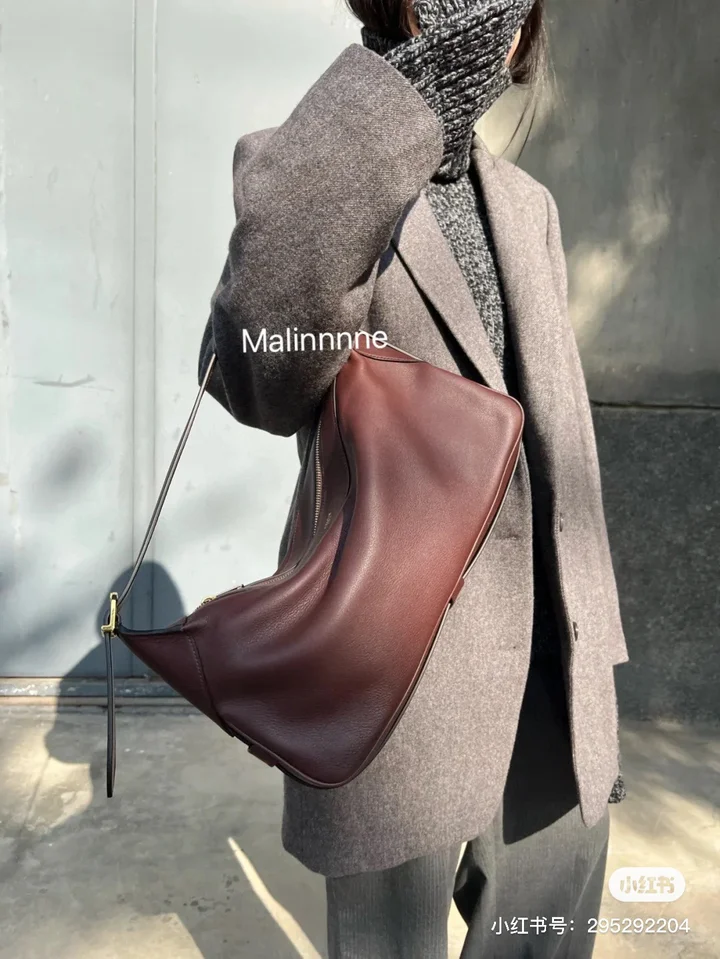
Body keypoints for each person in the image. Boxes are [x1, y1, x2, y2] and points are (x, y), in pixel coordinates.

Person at [198, 0, 630, 955]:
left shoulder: (529, 207)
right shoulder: (314, 174)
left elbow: (559, 433)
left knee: (542, 932)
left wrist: (594, 647)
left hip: (548, 668)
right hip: (394, 679)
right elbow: (255, 374)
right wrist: (396, 109)